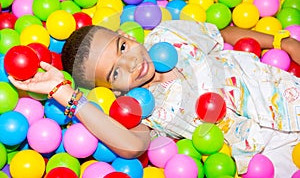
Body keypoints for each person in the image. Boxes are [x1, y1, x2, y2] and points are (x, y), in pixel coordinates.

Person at [9, 20, 300, 177]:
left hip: (287, 96)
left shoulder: (169, 35)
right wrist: (64, 93)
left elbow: (222, 34)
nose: (130, 64)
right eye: (114, 73)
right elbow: (133, 146)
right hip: (265, 157)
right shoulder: (140, 110)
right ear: (112, 90)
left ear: (126, 35)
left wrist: (281, 41)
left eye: (122, 48)